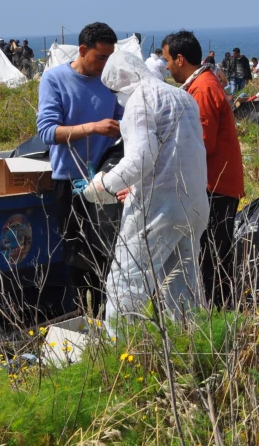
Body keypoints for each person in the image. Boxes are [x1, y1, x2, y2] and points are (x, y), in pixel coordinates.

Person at [77, 51, 209, 325]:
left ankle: (121, 347)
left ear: (120, 83)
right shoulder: (182, 97)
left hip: (158, 207)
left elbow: (141, 158)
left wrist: (104, 185)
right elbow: (177, 153)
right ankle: (192, 344)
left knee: (125, 282)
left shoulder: (140, 98)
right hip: (194, 203)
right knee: (182, 287)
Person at [37, 22, 124, 314]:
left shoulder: (110, 81)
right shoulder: (54, 80)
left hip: (106, 181)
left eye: (110, 57)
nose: (105, 64)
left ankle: (104, 314)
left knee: (107, 252)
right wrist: (93, 127)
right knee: (76, 255)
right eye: (100, 57)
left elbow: (125, 118)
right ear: (83, 50)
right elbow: (48, 132)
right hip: (70, 181)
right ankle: (82, 315)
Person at [162, 31, 245, 307]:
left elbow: (202, 144)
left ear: (180, 59)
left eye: (167, 60)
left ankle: (220, 314)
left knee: (214, 257)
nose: (166, 67)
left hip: (216, 186)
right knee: (211, 254)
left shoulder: (203, 89)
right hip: (214, 183)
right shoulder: (202, 84)